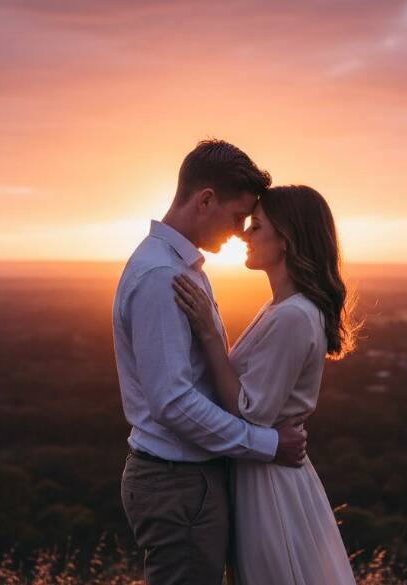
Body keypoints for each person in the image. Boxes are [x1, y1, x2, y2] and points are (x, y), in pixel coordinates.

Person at [112, 140, 310, 585]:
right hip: (178, 485)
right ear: (205, 200)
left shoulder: (179, 269)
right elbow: (174, 402)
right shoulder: (162, 276)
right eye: (238, 216)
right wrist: (267, 444)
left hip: (188, 483)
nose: (241, 230)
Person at [173, 184, 359, 585]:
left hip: (270, 482)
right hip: (261, 469)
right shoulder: (279, 307)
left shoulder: (292, 316)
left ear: (287, 241)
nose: (244, 233)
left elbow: (250, 412)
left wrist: (208, 333)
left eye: (256, 226)